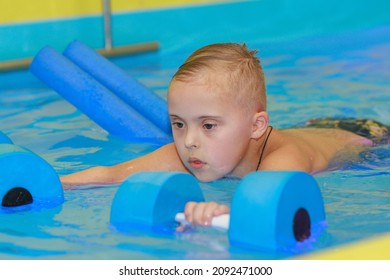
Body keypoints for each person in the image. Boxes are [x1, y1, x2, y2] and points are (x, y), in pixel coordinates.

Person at [61, 43, 389, 227]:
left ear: (256, 126)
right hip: (314, 124)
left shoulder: (283, 158)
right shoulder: (191, 151)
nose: (189, 140)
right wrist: (54, 183)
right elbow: (110, 174)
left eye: (208, 126)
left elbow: (266, 204)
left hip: (365, 139)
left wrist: (220, 213)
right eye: (178, 123)